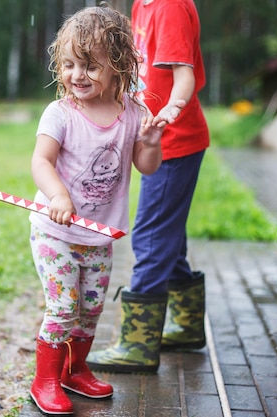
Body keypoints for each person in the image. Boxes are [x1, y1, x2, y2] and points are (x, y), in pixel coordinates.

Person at [28, 4, 176, 415]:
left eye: (90, 66)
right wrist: (58, 196)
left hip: (99, 235)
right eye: (70, 64)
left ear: (119, 65)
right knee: (62, 306)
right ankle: (45, 381)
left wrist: (150, 143)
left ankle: (75, 372)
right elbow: (41, 161)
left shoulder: (132, 114)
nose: (78, 75)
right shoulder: (59, 114)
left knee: (91, 309)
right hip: (54, 231)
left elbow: (147, 167)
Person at [87, 0, 210, 374]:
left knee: (152, 237)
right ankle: (187, 328)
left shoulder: (169, 6)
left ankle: (138, 344)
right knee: (168, 237)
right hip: (159, 141)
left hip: (174, 142)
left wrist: (173, 107)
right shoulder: (143, 4)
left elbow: (183, 73)